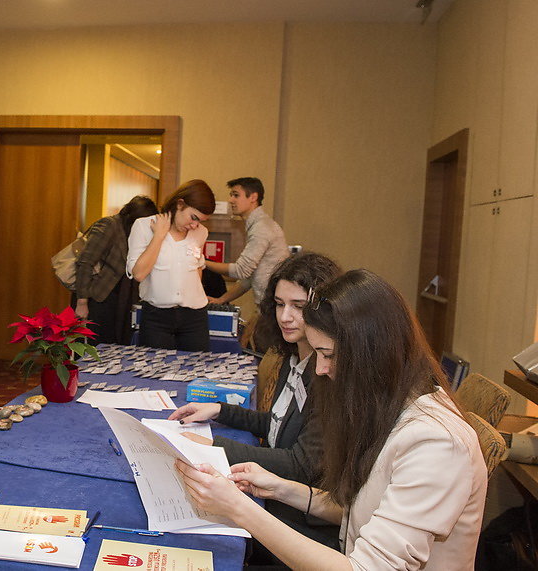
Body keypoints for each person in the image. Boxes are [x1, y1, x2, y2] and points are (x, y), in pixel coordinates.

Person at [176, 270, 487, 570]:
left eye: (327, 354)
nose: (321, 369)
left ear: (371, 353)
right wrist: (279, 488)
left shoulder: (435, 443)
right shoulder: (389, 406)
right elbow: (361, 510)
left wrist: (238, 508)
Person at [169, 252, 342, 554]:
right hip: (277, 499)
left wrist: (209, 443)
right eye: (279, 304)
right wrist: (221, 411)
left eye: (298, 307)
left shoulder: (327, 372)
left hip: (299, 523)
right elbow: (278, 423)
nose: (285, 316)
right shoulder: (294, 355)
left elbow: (299, 464)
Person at [126, 180, 215, 351]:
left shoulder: (201, 232)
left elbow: (197, 267)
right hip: (157, 316)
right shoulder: (144, 226)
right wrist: (159, 236)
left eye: (201, 221)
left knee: (194, 371)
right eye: (193, 218)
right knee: (155, 372)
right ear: (180, 204)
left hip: (195, 316)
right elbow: (139, 274)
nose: (195, 225)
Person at [73, 195, 158, 344]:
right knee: (95, 348)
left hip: (120, 301)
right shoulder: (109, 225)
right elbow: (85, 263)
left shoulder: (132, 233)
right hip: (98, 299)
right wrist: (82, 303)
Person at [206, 177, 288, 307]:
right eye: (231, 195)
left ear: (253, 197)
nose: (230, 200)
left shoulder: (261, 228)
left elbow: (241, 271)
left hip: (273, 307)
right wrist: (221, 300)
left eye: (236, 195)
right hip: (268, 305)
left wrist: (202, 262)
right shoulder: (257, 225)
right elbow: (247, 279)